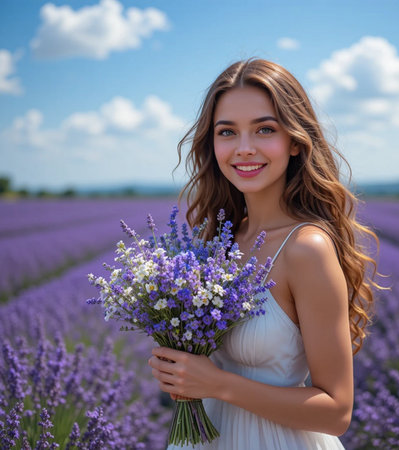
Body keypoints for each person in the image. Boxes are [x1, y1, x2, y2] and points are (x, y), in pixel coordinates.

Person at [149, 58, 379, 449]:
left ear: (294, 141)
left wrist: (218, 384)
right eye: (227, 132)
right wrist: (181, 370)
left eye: (264, 129)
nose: (243, 148)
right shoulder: (217, 243)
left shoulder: (307, 248)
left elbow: (337, 412)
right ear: (213, 143)